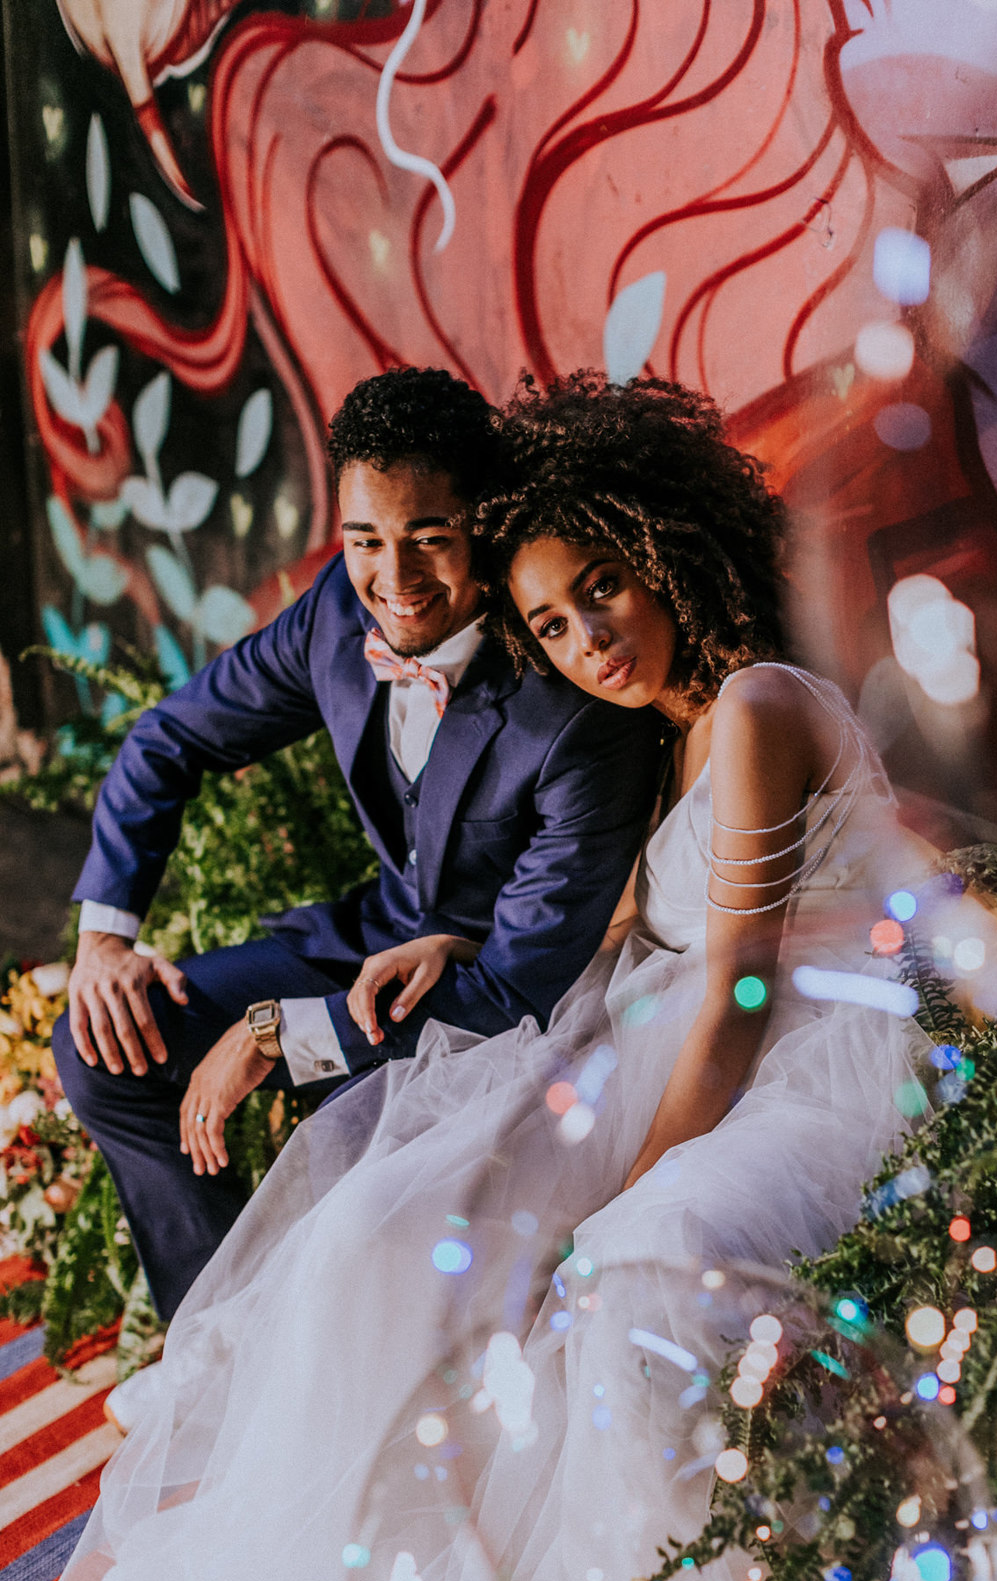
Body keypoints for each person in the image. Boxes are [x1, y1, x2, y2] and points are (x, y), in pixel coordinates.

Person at [32, 375, 923, 1581]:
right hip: (559, 987)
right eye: (554, 622)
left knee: (577, 1246)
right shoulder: (620, 700)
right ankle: (265, 1432)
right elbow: (626, 918)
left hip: (758, 1052)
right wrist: (118, 936)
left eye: (599, 597)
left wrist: (615, 1178)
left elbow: (729, 985)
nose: (581, 641)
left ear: (667, 550)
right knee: (325, 1193)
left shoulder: (691, 712)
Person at [54, 366, 663, 1320]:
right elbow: (168, 737)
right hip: (360, 945)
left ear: (486, 523)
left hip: (498, 1006)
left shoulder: (575, 711)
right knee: (101, 1050)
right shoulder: (339, 614)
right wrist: (104, 942)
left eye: (430, 537)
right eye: (365, 540)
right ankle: (217, 1334)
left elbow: (510, 992)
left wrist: (272, 1034)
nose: (395, 578)